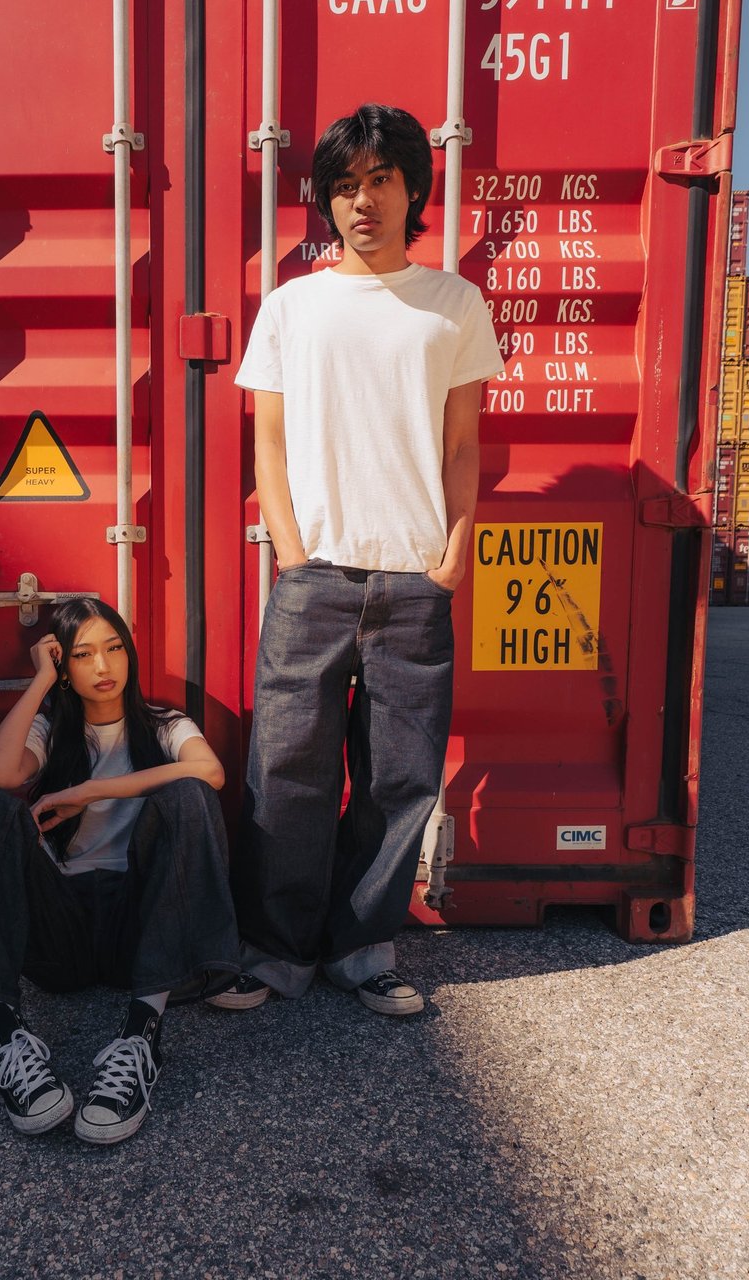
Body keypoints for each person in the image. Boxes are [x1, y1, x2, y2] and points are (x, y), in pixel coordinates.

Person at [215, 103, 501, 1016]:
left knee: (397, 777)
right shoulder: (292, 306)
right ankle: (277, 950)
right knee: (288, 773)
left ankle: (363, 945)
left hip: (415, 576)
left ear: (414, 187)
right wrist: (293, 556)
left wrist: (455, 548)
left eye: (380, 179)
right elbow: (268, 442)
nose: (363, 200)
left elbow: (462, 445)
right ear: (326, 202)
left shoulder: (453, 303)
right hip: (316, 580)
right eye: (344, 185)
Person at [0, 598, 239, 1145]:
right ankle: (6, 1035)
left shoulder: (165, 724)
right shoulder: (51, 732)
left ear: (130, 653)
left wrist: (90, 790)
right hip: (60, 930)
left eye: (114, 648)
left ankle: (141, 1038)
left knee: (190, 795)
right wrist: (39, 683)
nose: (103, 667)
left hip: (139, 933)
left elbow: (210, 772)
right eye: (82, 655)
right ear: (63, 666)